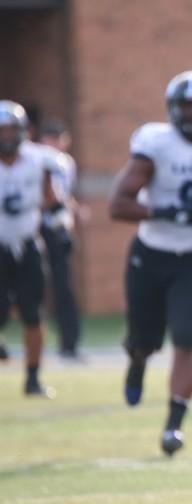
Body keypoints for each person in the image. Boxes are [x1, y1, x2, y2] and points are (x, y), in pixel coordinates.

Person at [109, 71, 192, 456]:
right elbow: (117, 205)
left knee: (186, 337)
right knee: (145, 342)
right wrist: (162, 210)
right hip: (150, 255)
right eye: (187, 107)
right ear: (172, 110)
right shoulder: (155, 144)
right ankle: (137, 360)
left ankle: (173, 426)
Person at [0, 100, 64, 397]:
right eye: (2, 131)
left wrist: (58, 220)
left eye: (12, 130)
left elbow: (53, 197)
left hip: (27, 245)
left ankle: (33, 378)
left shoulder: (40, 160)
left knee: (32, 314)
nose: (7, 137)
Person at [38, 119, 85, 360]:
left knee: (64, 287)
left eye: (59, 138)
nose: (55, 143)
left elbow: (64, 195)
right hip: (34, 229)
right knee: (30, 287)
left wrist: (72, 210)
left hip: (59, 229)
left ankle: (69, 344)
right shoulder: (35, 159)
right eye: (50, 137)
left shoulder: (67, 163)